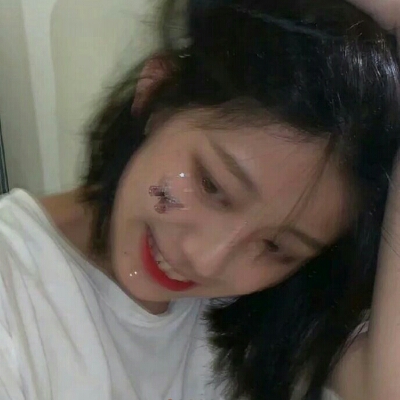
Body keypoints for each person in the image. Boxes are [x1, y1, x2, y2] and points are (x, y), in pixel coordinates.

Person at [1, 0, 400, 399]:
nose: (206, 260)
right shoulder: (14, 292)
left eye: (275, 246)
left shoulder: (264, 318)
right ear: (156, 94)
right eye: (212, 185)